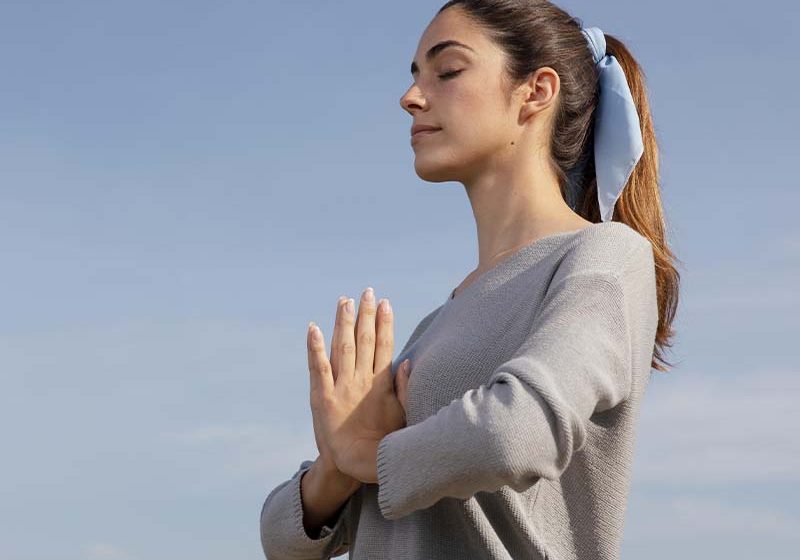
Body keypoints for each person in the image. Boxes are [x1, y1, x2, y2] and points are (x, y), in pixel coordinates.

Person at [260, 1, 680, 558]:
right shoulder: (437, 325)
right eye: (413, 76)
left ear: (536, 91)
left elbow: (517, 433)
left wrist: (369, 454)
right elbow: (283, 540)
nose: (411, 96)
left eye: (448, 71)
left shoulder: (603, 257)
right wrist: (337, 467)